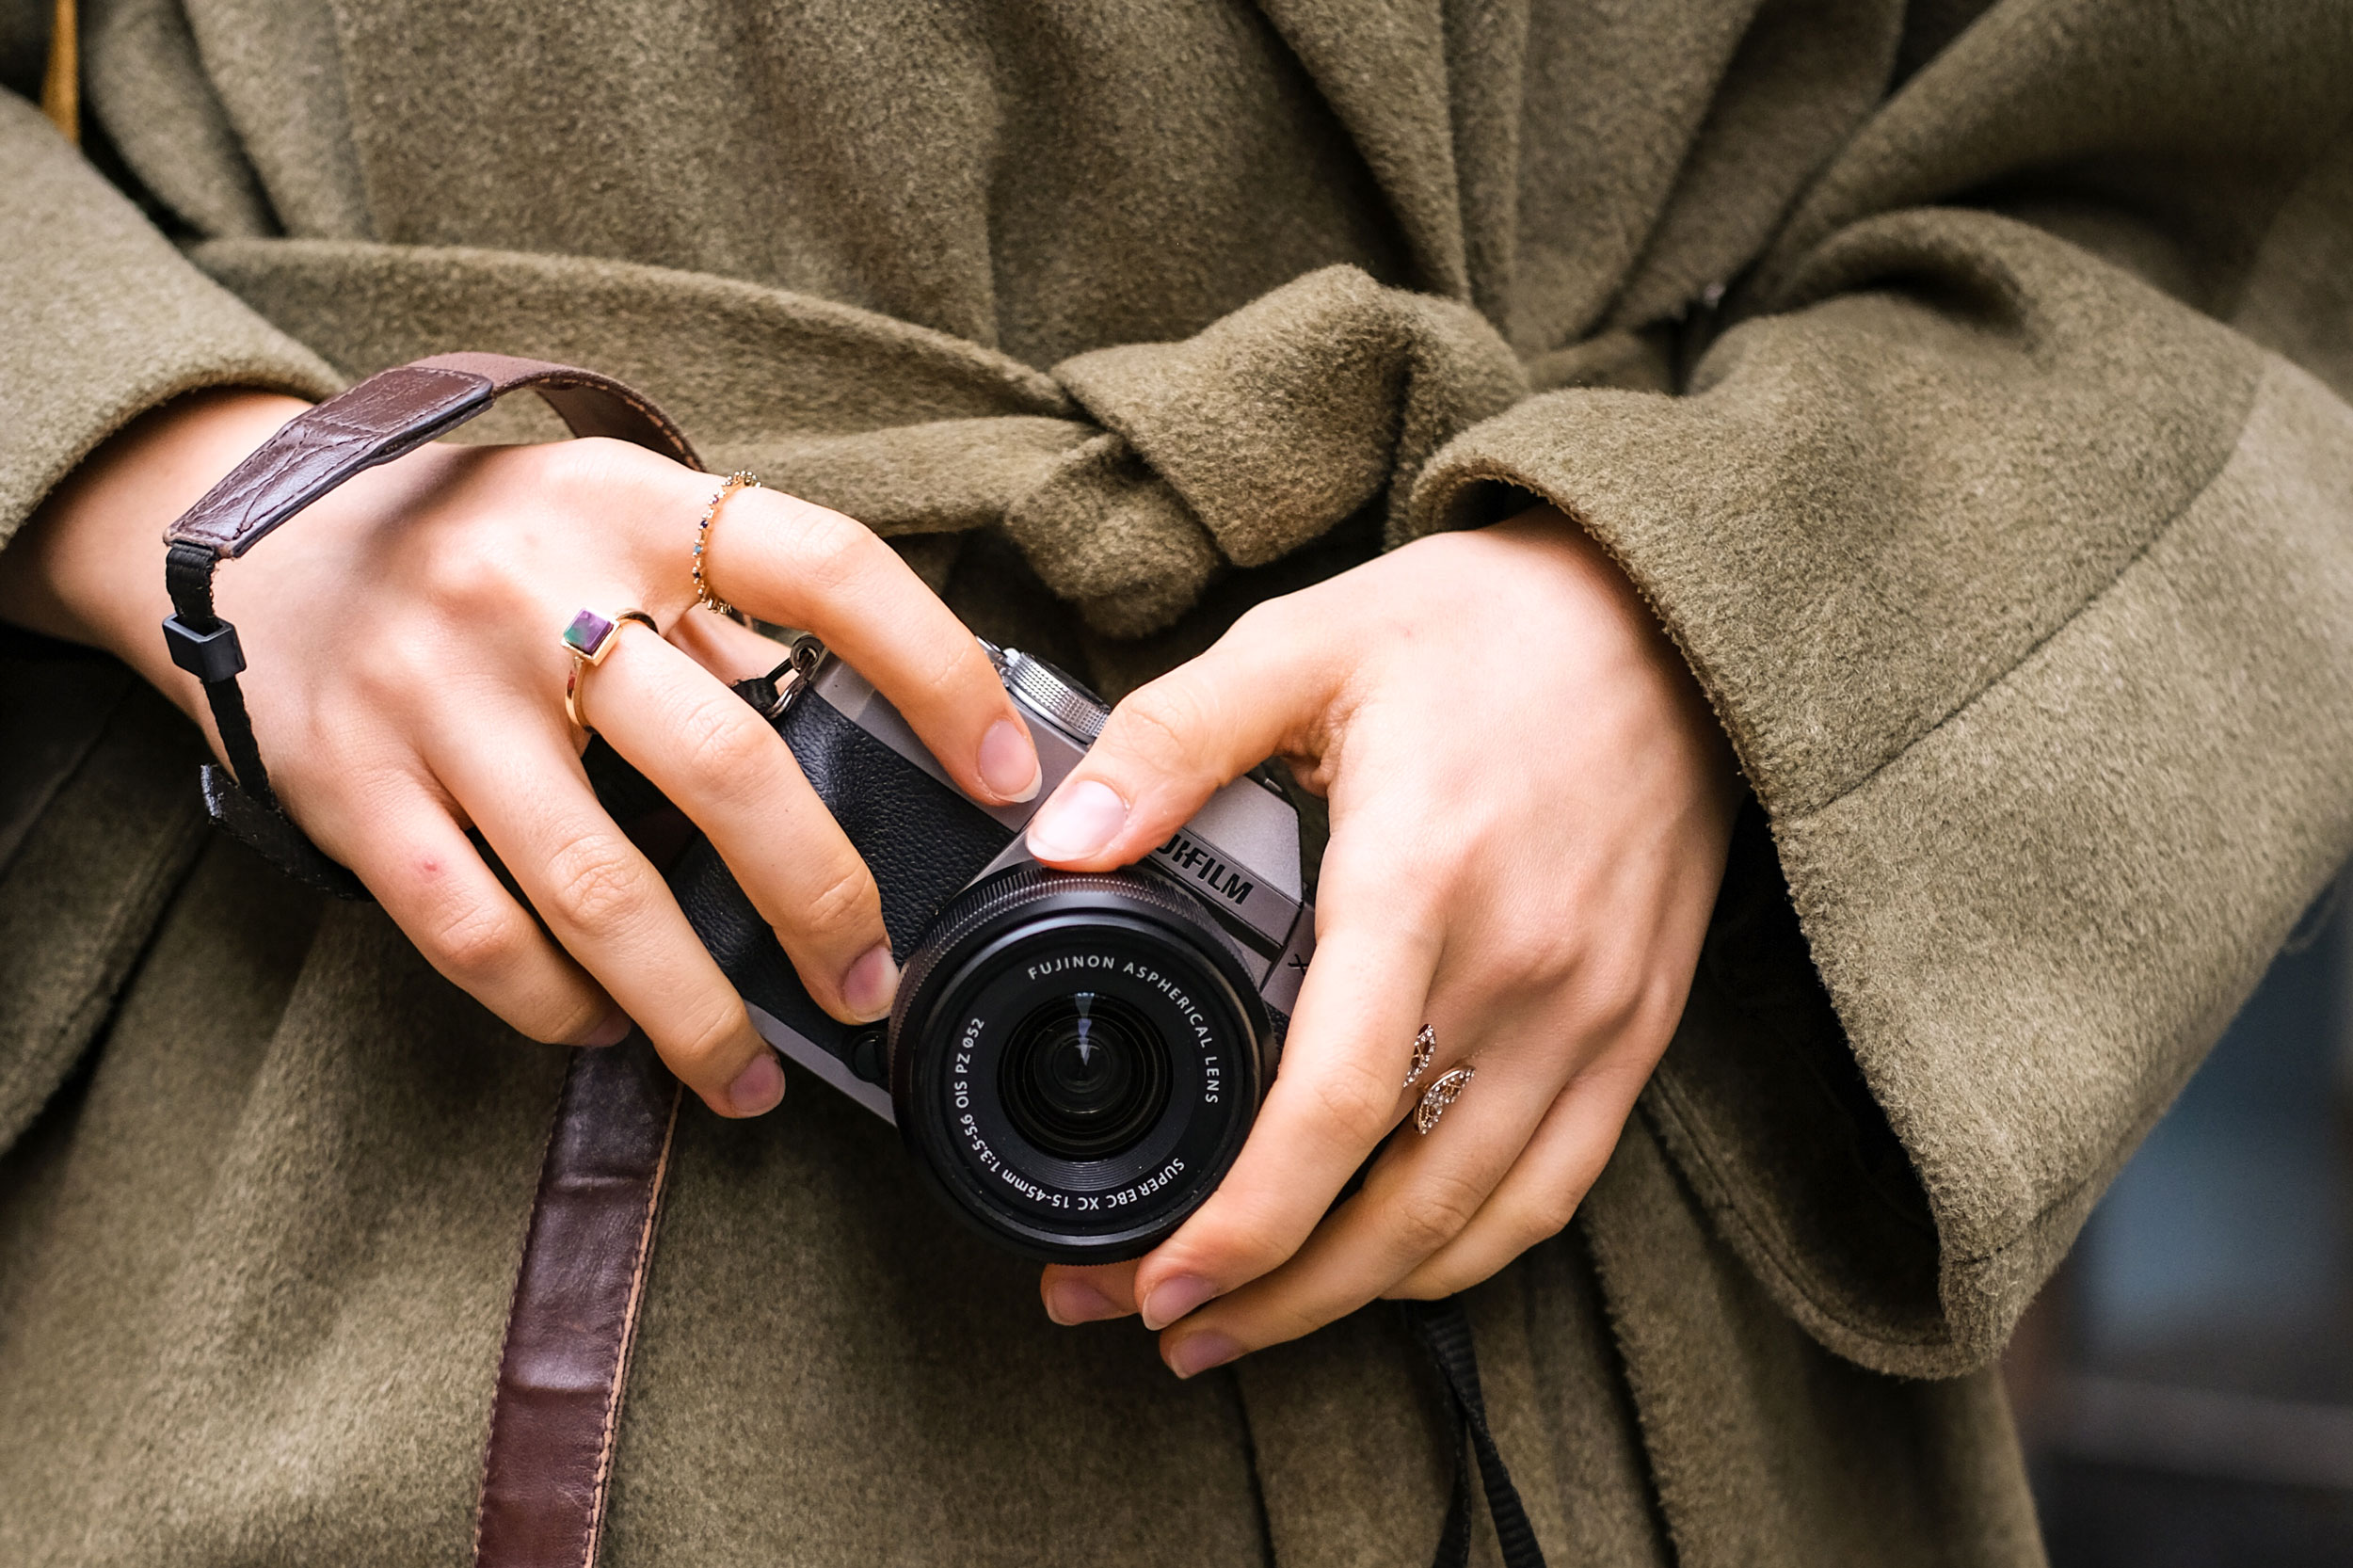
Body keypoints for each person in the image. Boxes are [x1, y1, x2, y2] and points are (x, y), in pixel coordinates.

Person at [1, 1, 2348, 1563]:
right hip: (373, 1110)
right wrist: (195, 486)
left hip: (1557, 1143)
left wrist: (1702, 626)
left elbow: (2243, 177)